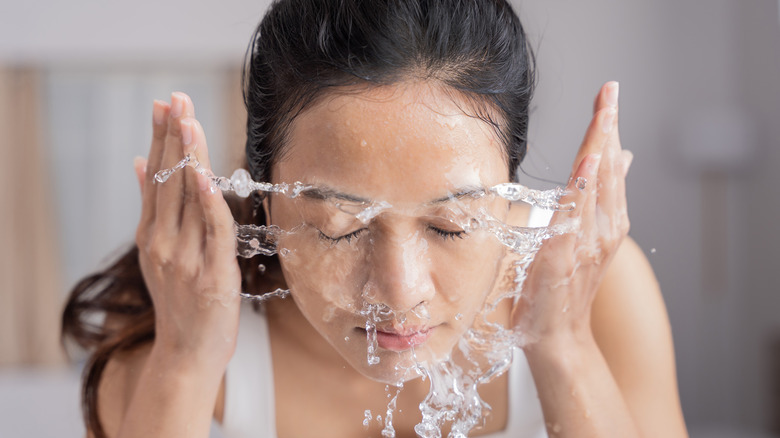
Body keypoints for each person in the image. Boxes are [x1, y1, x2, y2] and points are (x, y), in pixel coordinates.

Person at [62, 0, 689, 437]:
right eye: (342, 227)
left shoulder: (597, 291)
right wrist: (186, 358)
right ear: (267, 195)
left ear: (508, 189)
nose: (399, 292)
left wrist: (563, 346)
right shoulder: (171, 346)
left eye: (451, 226)